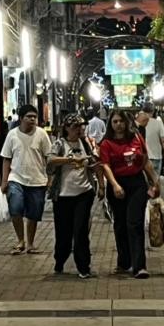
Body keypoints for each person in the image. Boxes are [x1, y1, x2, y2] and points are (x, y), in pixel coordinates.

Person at [98, 109, 160, 278]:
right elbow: (105, 166)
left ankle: (139, 265)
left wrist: (155, 180)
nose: (118, 125)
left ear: (127, 123)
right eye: (115, 122)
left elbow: (145, 160)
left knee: (134, 223)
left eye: (121, 121)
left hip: (137, 183)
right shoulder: (106, 143)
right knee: (120, 224)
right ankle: (124, 261)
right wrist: (114, 185)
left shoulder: (136, 138)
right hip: (117, 183)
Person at [48, 113, 99, 278]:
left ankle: (83, 266)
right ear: (67, 129)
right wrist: (69, 160)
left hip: (83, 193)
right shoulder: (59, 144)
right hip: (63, 195)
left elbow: (93, 162)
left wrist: (93, 162)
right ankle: (60, 260)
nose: (79, 130)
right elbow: (50, 160)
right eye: (75, 127)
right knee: (63, 231)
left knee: (81, 230)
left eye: (80, 127)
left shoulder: (85, 142)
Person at [0, 105, 52, 254]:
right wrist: (4, 181)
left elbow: (48, 157)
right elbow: (6, 159)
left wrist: (50, 178)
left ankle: (30, 243)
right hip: (16, 178)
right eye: (29, 116)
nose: (32, 119)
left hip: (37, 179)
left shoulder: (42, 135)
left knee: (33, 213)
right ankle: (20, 240)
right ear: (21, 118)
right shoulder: (12, 135)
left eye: (34, 117)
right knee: (15, 208)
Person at [136, 105, 164, 191]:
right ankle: (154, 200)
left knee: (144, 183)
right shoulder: (158, 123)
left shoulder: (137, 123)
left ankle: (146, 201)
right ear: (153, 112)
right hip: (156, 157)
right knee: (155, 182)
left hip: (142, 158)